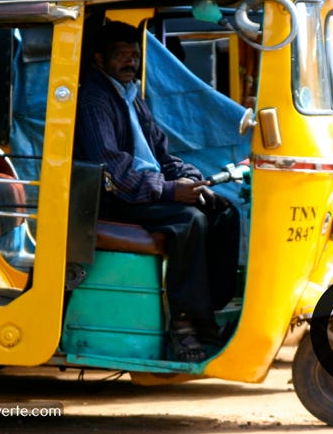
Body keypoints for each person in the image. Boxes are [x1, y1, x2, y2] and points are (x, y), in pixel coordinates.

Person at [74, 20, 240, 362]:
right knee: (188, 220)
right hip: (115, 198)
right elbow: (113, 171)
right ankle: (182, 323)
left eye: (134, 55)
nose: (130, 62)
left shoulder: (132, 94)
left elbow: (161, 154)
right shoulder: (94, 100)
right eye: (121, 55)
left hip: (147, 191)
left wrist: (193, 179)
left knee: (224, 211)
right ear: (98, 58)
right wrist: (168, 191)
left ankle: (206, 311)